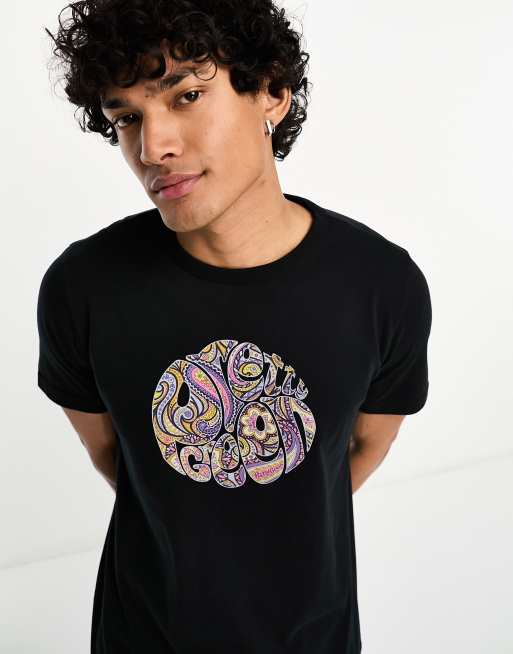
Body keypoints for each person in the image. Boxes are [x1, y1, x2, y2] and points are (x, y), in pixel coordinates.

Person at [37, 1, 432, 653]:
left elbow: (361, 446)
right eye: (127, 117)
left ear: (271, 92)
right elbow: (117, 457)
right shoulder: (83, 288)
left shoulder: (381, 284)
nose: (153, 147)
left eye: (187, 95)